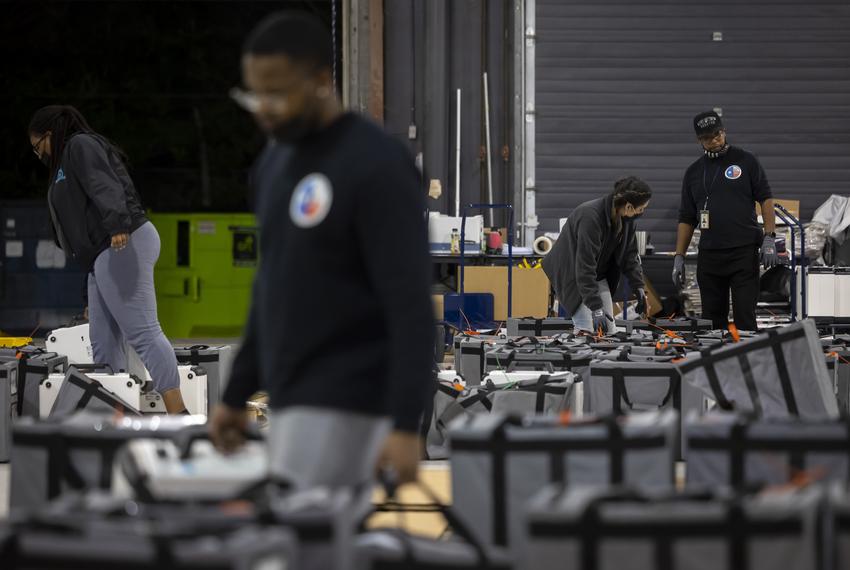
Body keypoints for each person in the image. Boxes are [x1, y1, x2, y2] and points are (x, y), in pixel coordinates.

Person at [209, 12, 434, 489]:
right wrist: (234, 396)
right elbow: (269, 289)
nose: (263, 109)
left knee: (297, 548)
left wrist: (404, 422)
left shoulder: (376, 164)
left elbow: (411, 303)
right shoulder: (273, 165)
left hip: (354, 402)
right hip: (291, 397)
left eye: (277, 94)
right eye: (254, 94)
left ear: (321, 80)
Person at [28, 105, 187, 413]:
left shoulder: (79, 145)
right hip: (102, 253)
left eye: (37, 147)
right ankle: (115, 412)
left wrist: (117, 225)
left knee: (143, 331)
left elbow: (103, 183)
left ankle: (180, 415)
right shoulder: (63, 162)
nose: (39, 155)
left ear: (49, 134)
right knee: (102, 341)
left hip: (122, 240)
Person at [672, 111, 777, 331]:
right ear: (699, 140)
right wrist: (679, 256)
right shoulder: (693, 172)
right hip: (710, 256)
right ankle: (715, 363)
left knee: (745, 318)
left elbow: (766, 199)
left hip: (743, 253)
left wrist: (769, 237)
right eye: (708, 138)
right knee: (711, 322)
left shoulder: (746, 161)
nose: (715, 140)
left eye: (717, 134)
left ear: (724, 131)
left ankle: (750, 364)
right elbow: (687, 218)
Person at [542, 176, 652, 335]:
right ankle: (579, 358)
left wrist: (639, 288)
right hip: (572, 272)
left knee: (608, 330)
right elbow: (584, 266)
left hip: (596, 274)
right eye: (641, 208)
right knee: (587, 329)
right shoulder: (591, 217)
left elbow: (630, 256)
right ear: (628, 206)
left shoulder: (627, 221)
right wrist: (595, 307)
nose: (642, 212)